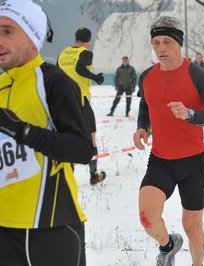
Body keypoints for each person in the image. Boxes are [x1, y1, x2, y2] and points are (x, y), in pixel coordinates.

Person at [0, 0, 93, 265]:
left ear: (32, 37)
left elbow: (81, 149)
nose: (0, 39)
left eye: (8, 31)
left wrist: (22, 130)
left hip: (51, 225)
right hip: (3, 227)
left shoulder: (52, 81)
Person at [133, 16, 204, 266]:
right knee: (148, 218)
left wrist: (192, 114)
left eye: (167, 42)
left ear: (179, 44)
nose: (161, 49)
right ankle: (168, 245)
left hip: (193, 161)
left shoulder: (197, 75)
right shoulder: (147, 76)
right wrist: (142, 126)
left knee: (193, 228)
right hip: (161, 160)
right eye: (156, 43)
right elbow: (146, 104)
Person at [57, 27, 106, 185]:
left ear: (76, 38)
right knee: (91, 136)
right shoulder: (86, 53)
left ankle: (65, 176)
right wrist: (95, 77)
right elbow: (79, 68)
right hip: (80, 99)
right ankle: (93, 175)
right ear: (89, 41)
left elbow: (56, 74)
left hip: (63, 100)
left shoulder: (63, 53)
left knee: (68, 137)